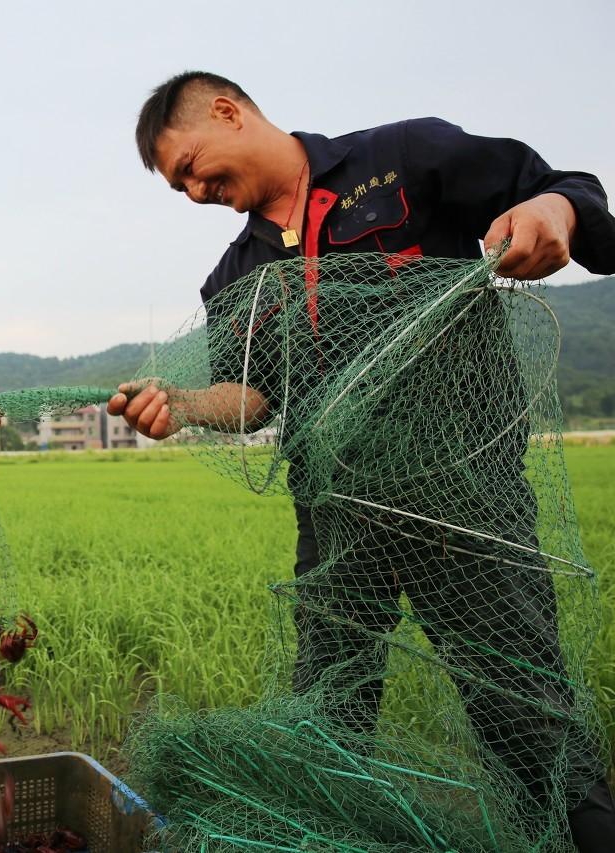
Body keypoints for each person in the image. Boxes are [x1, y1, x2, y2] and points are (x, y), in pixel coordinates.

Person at [108, 71, 615, 849]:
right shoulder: (233, 278)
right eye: (179, 187)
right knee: (329, 718)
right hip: (335, 525)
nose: (193, 192)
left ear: (226, 111)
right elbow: (252, 398)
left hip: (465, 505)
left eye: (190, 167)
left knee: (527, 713)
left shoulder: (402, 159)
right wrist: (179, 404)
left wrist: (552, 213)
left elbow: (559, 188)